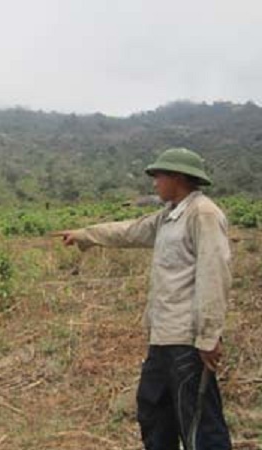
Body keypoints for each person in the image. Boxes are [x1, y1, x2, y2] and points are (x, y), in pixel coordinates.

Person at [54, 148, 232, 449]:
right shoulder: (168, 216)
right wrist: (85, 234)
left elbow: (214, 274)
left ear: (178, 177)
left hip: (187, 341)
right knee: (153, 413)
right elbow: (130, 231)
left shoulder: (203, 214)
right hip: (161, 337)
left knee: (199, 425)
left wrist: (208, 336)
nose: (154, 183)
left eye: (159, 176)